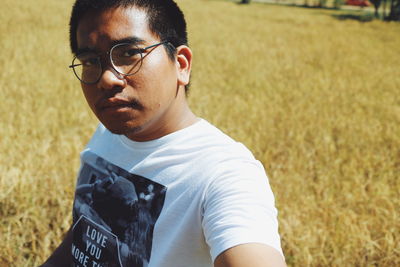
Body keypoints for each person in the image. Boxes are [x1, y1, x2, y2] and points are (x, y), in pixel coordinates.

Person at [41, 0, 286, 266]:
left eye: (128, 53)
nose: (106, 79)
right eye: (90, 61)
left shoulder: (223, 173)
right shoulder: (108, 134)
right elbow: (84, 238)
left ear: (181, 65)